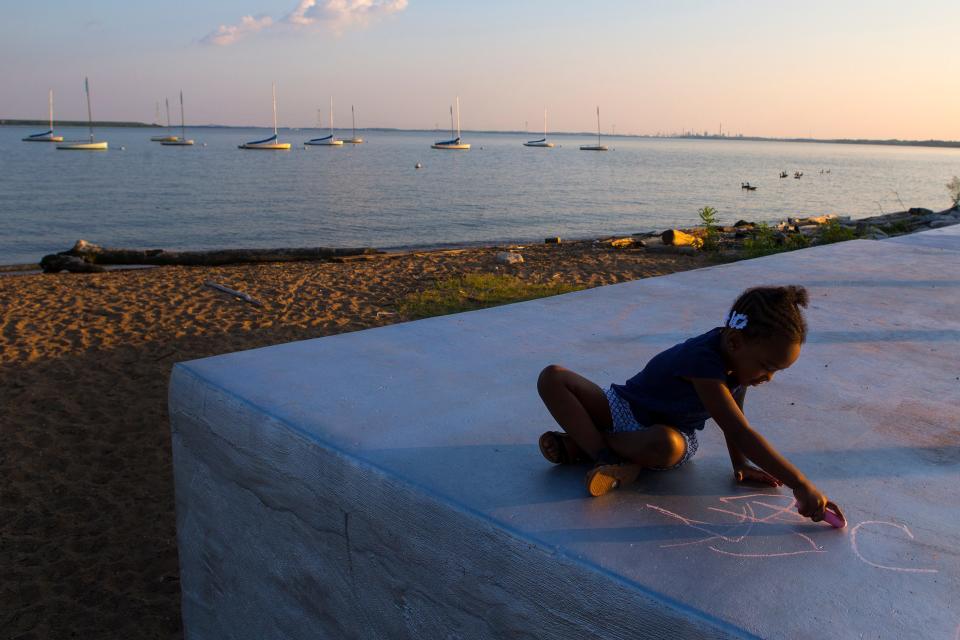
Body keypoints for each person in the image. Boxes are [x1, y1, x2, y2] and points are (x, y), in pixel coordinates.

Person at [536, 285, 843, 524]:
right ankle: (606, 455)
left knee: (665, 444)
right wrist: (799, 484)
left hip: (672, 434)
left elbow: (736, 417)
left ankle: (587, 446)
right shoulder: (704, 360)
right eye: (767, 366)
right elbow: (740, 431)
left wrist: (740, 464)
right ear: (736, 342)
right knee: (553, 377)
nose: (770, 377)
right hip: (623, 407)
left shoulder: (737, 358)